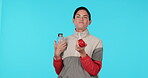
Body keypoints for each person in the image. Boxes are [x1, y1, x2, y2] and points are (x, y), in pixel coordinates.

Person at [53, 6, 103, 78]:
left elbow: (94, 71)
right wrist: (57, 55)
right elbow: (59, 71)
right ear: (73, 20)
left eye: (85, 17)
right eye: (78, 16)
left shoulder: (97, 42)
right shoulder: (64, 41)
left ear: (90, 22)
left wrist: (83, 54)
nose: (81, 19)